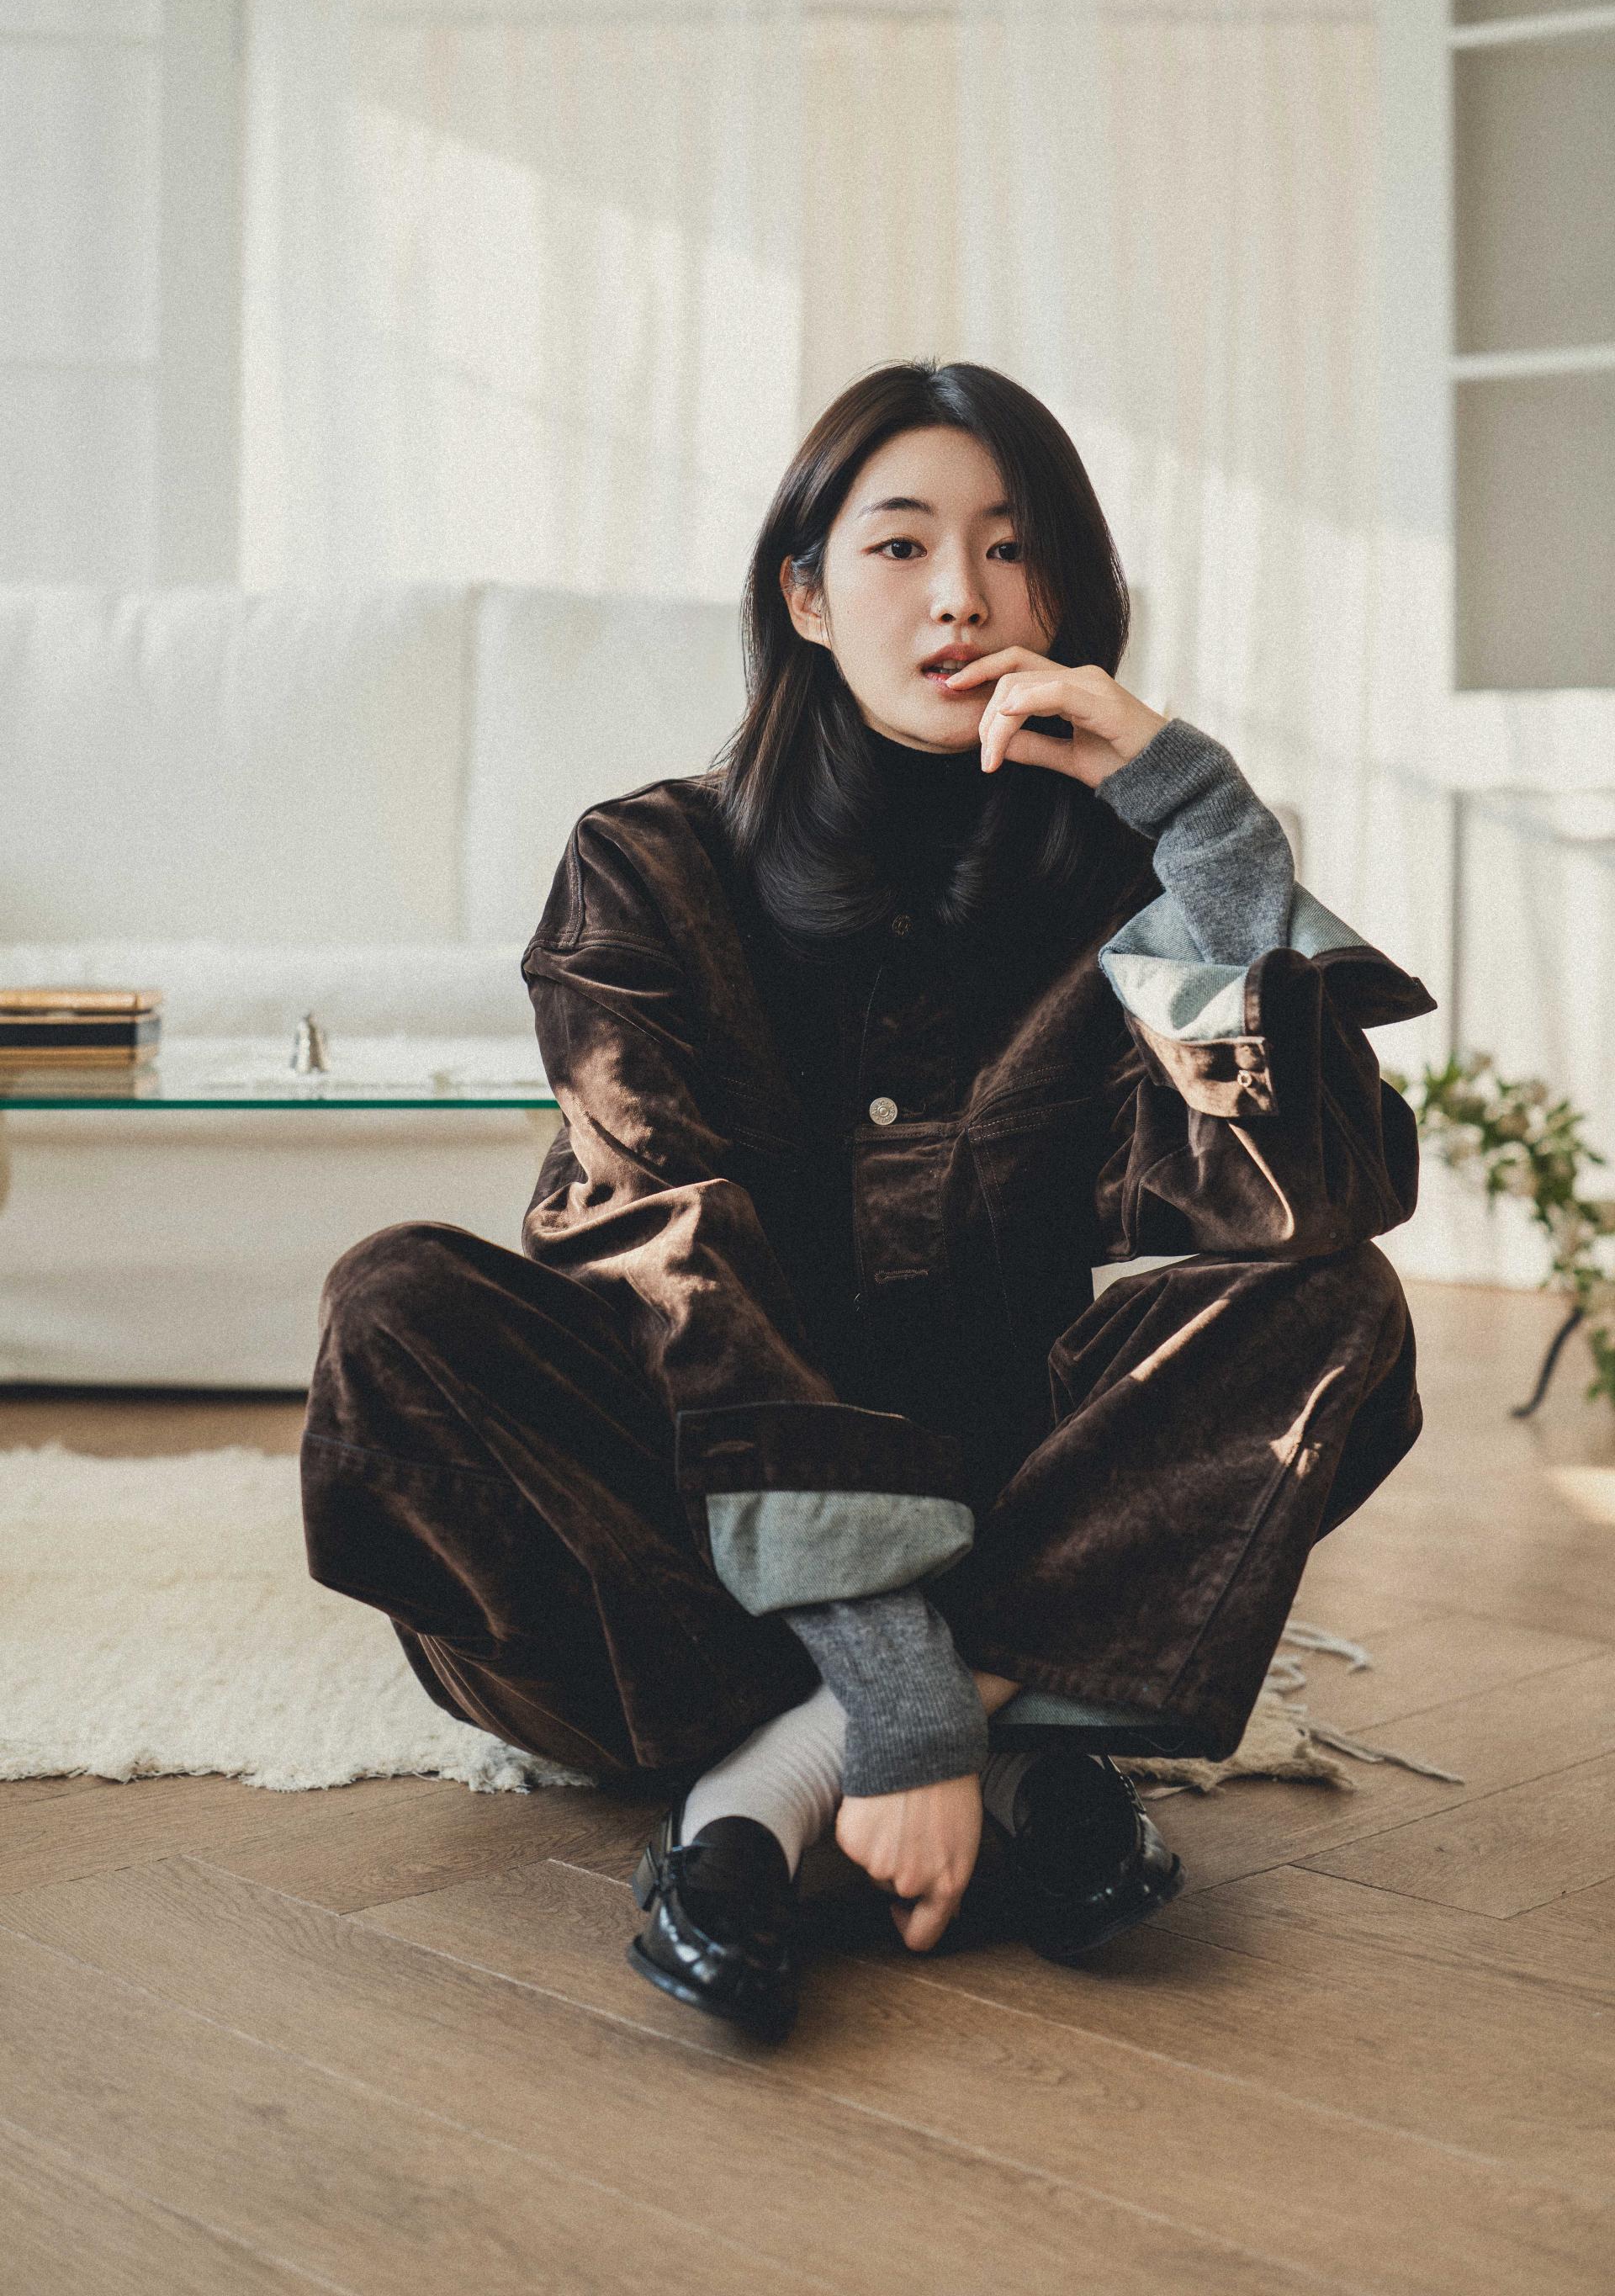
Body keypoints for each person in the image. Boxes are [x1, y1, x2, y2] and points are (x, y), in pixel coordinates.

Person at [299, 359, 1436, 2045]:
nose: (960, 595)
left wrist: (1205, 825)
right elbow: (660, 1247)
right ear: (808, 596)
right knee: (395, 1304)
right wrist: (904, 1692)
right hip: (679, 1510)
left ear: (1068, 599)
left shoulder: (1129, 886)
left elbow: (1298, 1205)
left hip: (1007, 1490)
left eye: (1010, 548)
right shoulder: (646, 864)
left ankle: (765, 1788)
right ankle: (1001, 1732)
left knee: (1338, 1310)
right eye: (900, 547)